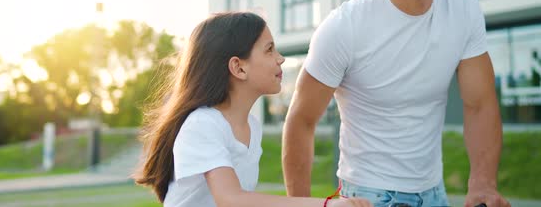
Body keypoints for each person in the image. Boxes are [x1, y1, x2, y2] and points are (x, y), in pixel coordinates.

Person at [281, 0, 510, 207]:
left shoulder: (464, 9)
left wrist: (483, 183)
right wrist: (301, 204)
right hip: (367, 197)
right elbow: (301, 121)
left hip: (435, 193)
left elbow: (480, 104)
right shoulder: (344, 26)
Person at [134, 12, 372, 207]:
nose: (280, 59)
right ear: (238, 68)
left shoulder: (251, 128)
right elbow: (231, 199)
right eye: (269, 50)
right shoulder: (203, 124)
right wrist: (326, 205)